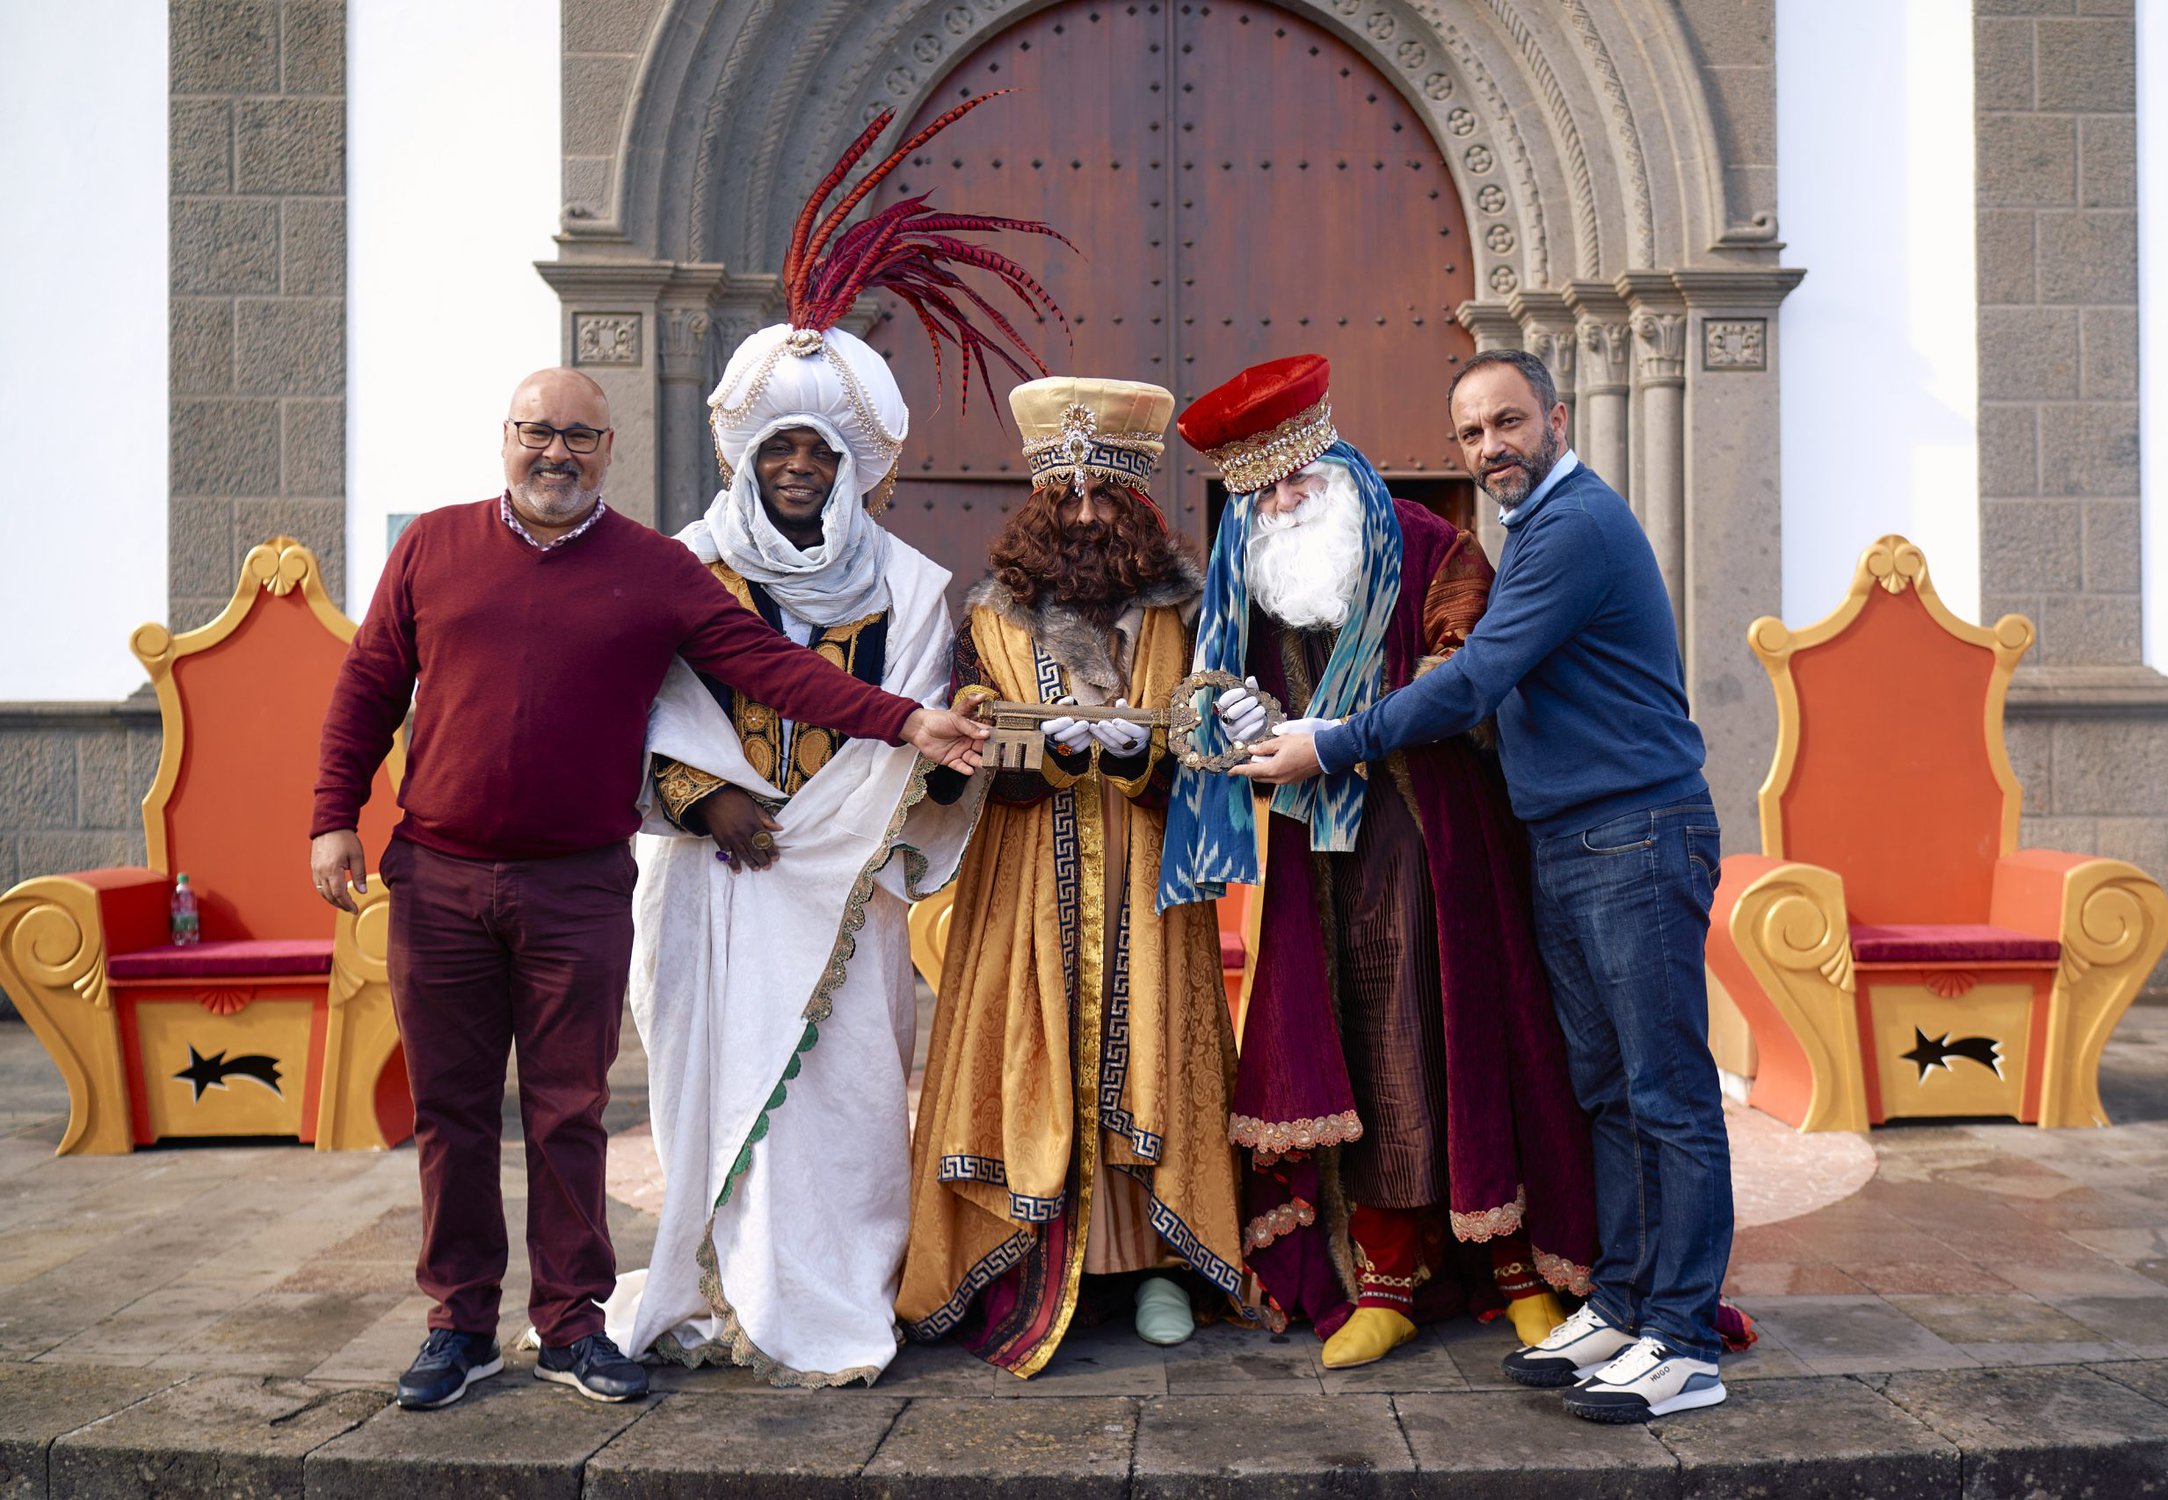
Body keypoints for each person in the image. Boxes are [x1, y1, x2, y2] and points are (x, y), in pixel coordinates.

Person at [308, 366, 988, 1412]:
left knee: (569, 1111)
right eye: (538, 433)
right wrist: (329, 818)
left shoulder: (655, 568)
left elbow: (770, 667)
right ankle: (459, 1326)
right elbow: (368, 683)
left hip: (575, 882)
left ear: (608, 449)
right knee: (449, 1113)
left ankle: (574, 1324)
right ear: (505, 437)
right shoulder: (432, 547)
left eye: (579, 437)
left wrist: (904, 720)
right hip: (440, 874)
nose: (556, 455)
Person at [604, 105, 1063, 1386]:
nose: (801, 464)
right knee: (709, 1093)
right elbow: (640, 709)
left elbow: (918, 729)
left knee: (852, 1097)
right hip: (711, 879)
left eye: (822, 447)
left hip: (846, 889)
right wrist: (705, 803)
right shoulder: (679, 568)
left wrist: (845, 825)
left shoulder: (916, 587)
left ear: (858, 466)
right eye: (780, 446)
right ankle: (733, 1289)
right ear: (749, 457)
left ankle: (843, 1291)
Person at [1237, 348, 1733, 1423]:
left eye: (1509, 422)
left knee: (1667, 1096)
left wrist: (1331, 744)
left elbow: (1474, 679)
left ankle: (1684, 1342)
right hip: (1567, 837)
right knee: (1607, 1091)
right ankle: (1630, 1304)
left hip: (1635, 833)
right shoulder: (1532, 528)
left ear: (1556, 415)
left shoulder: (1573, 528)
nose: (1490, 448)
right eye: (1470, 434)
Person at [1162, 354, 1597, 1372]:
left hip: (1448, 850)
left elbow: (1472, 674)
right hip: (1321, 868)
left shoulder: (1430, 543)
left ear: (1337, 464)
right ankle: (1388, 1283)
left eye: (1296, 481)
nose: (1282, 503)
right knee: (1366, 1057)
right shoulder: (1247, 580)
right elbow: (1207, 706)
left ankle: (1520, 1274)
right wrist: (1222, 719)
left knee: (1470, 1040)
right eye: (1261, 493)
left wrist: (1349, 728)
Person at [896, 376, 1245, 1376]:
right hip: (1023, 878)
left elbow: (1206, 740)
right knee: (1027, 1049)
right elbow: (956, 733)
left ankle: (1154, 1270)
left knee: (1148, 1058)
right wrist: (1018, 739)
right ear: (1041, 504)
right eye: (1069, 495)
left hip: (1145, 873)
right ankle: (1032, 1262)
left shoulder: (1185, 613)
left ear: (1139, 506)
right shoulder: (988, 616)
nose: (1087, 515)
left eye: (1108, 496)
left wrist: (1152, 747)